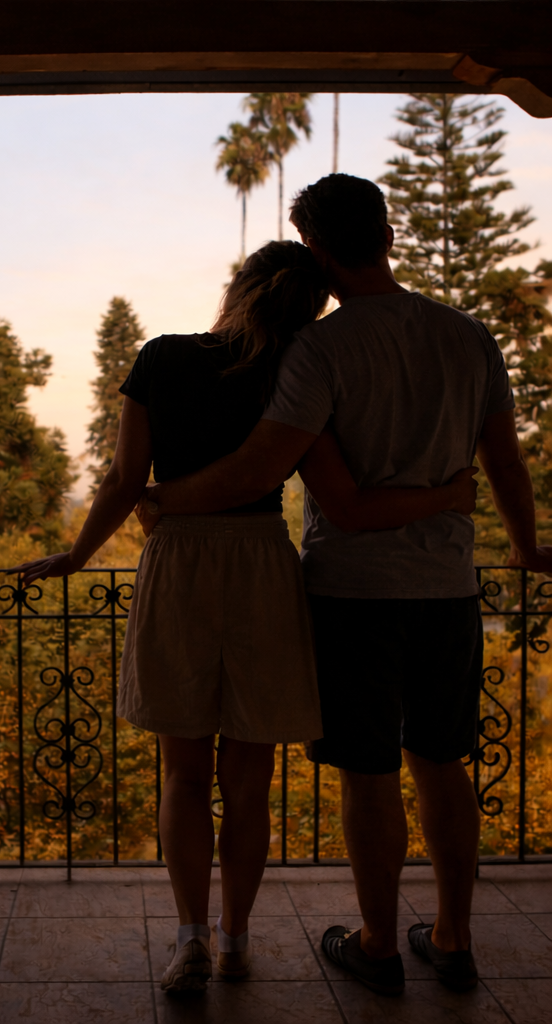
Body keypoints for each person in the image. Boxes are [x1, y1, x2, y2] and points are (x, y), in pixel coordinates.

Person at [13, 239, 478, 995]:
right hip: (264, 564)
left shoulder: (162, 357)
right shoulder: (294, 369)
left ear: (239, 288)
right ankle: (234, 941)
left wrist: (76, 555)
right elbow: (329, 485)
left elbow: (126, 478)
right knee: (249, 782)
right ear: (308, 306)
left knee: (183, 773)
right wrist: (447, 495)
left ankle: (190, 938)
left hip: (180, 561)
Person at [141, 172, 552, 997]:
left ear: (318, 252)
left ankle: (377, 945)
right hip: (448, 587)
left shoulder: (319, 350)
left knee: (370, 774)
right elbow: (505, 461)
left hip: (354, 594)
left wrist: (157, 501)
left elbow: (266, 468)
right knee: (443, 763)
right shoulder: (469, 336)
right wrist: (524, 545)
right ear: (388, 236)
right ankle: (454, 939)